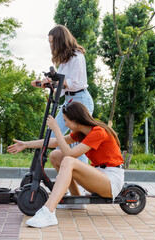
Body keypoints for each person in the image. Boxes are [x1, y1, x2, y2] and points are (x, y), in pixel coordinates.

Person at [7, 101, 124, 228]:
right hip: (98, 176)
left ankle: (49, 212)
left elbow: (70, 153)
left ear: (75, 121)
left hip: (111, 181)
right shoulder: (81, 133)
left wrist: (56, 129)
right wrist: (25, 144)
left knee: (68, 160)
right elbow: (54, 143)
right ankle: (76, 200)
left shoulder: (98, 132)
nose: (66, 124)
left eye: (66, 120)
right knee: (56, 155)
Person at [31, 24, 94, 164]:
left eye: (52, 42)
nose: (51, 45)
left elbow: (74, 82)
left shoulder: (77, 57)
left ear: (60, 40)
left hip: (81, 100)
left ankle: (82, 177)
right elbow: (60, 81)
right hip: (69, 101)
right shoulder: (65, 60)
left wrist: (57, 81)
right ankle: (68, 161)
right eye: (49, 42)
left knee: (79, 142)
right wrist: (44, 82)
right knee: (52, 134)